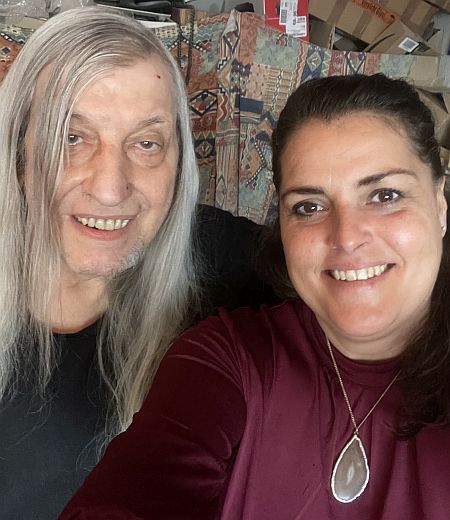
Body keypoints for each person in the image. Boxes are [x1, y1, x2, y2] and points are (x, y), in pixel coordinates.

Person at [61, 73, 450, 520]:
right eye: (309, 206)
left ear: (440, 204)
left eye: (384, 195)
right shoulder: (230, 357)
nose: (346, 237)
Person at [0, 7, 275, 519]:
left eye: (147, 144)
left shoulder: (230, 265)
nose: (110, 188)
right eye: (72, 138)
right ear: (19, 154)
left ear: (179, 162)